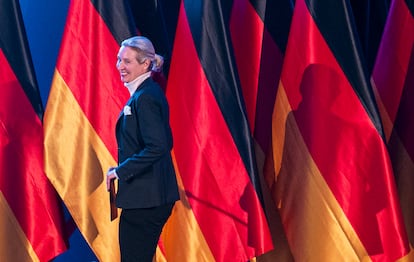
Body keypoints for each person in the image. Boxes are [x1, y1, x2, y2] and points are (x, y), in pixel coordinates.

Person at [106, 35, 179, 262]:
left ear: (145, 64)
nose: (120, 66)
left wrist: (120, 171)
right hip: (146, 198)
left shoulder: (145, 97)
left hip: (147, 201)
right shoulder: (145, 94)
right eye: (119, 60)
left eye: (126, 61)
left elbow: (158, 146)